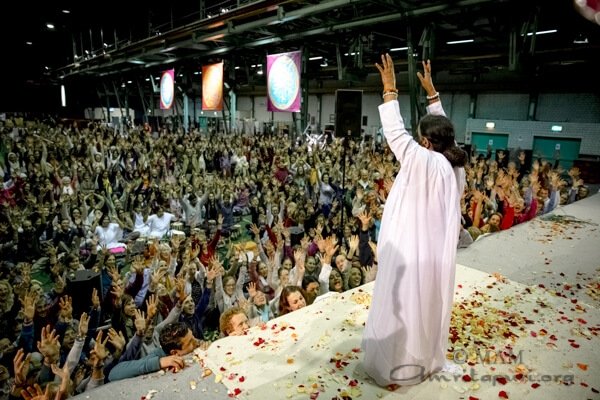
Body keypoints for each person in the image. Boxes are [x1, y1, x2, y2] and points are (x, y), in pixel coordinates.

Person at [362, 55, 467, 386]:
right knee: (428, 306)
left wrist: (390, 91)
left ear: (424, 143)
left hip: (411, 249)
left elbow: (395, 134)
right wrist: (433, 98)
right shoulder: (454, 165)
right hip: (436, 254)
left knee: (403, 306)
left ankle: (400, 362)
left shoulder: (424, 162)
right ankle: (426, 356)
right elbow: (445, 134)